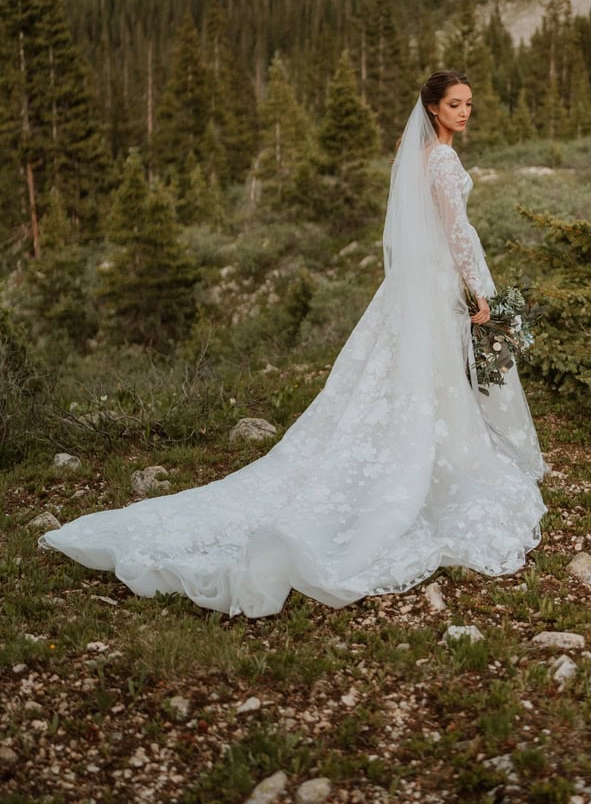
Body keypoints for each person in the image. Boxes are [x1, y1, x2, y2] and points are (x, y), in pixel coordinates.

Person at [39, 70, 547, 618]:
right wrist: (480, 290)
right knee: (431, 373)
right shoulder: (442, 160)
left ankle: (420, 452)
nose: (466, 112)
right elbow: (457, 230)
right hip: (440, 279)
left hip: (412, 286)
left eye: (470, 103)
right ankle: (432, 465)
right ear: (432, 109)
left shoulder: (421, 158)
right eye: (455, 104)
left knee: (405, 375)